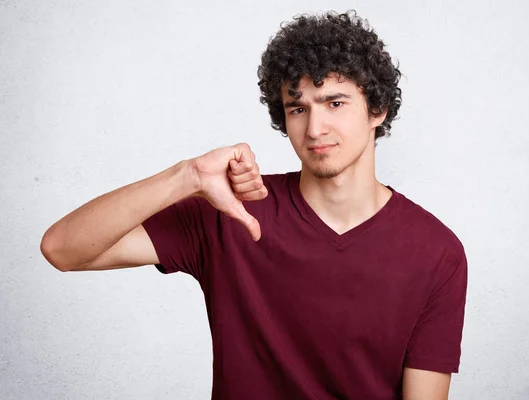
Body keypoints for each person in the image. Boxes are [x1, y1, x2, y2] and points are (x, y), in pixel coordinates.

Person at [41, 10, 467, 400]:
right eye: (297, 108)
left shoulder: (436, 253)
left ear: (377, 109)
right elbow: (62, 248)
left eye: (335, 103)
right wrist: (185, 177)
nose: (315, 127)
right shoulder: (232, 212)